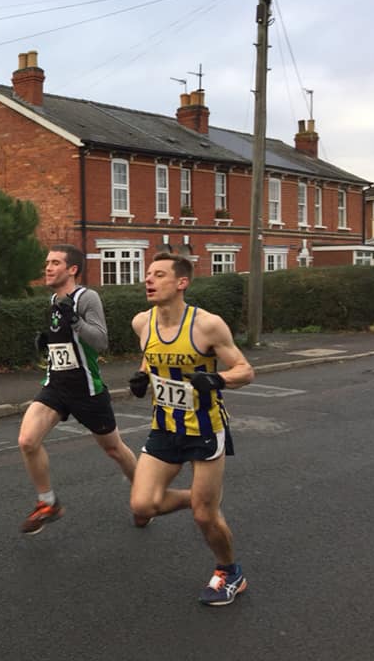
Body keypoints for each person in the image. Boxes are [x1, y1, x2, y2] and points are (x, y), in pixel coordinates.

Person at [128, 252, 255, 606]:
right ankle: (201, 499)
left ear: (181, 282)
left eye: (159, 275)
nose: (148, 280)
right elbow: (151, 356)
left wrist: (216, 378)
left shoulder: (207, 325)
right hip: (164, 426)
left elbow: (246, 370)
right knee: (142, 505)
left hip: (204, 429)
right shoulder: (142, 322)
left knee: (204, 516)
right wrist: (142, 376)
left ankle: (230, 572)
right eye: (148, 274)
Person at [17, 244, 138, 534]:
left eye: (55, 262)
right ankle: (48, 502)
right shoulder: (52, 300)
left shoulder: (87, 297)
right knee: (27, 441)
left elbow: (100, 341)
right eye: (47, 262)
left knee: (114, 449)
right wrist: (48, 341)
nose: (48, 267)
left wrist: (75, 319)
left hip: (86, 389)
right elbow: (69, 342)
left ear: (72, 269)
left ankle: (142, 493)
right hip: (56, 385)